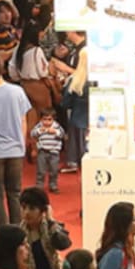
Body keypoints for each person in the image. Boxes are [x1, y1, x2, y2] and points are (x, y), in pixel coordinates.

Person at [0, 55, 31, 229]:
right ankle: (17, 230)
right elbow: (24, 119)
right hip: (15, 149)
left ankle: (2, 232)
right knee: (15, 193)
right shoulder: (17, 91)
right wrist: (22, 144)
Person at [60, 30, 88, 173]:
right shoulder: (96, 81)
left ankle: (73, 163)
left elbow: (65, 103)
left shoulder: (74, 80)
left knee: (77, 145)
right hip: (91, 122)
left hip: (77, 119)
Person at [30, 111, 65, 192]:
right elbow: (32, 134)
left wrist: (56, 132)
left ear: (53, 119)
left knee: (54, 170)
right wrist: (39, 131)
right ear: (41, 119)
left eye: (49, 120)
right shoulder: (39, 126)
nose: (47, 122)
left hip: (54, 152)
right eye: (44, 119)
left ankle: (53, 185)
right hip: (42, 151)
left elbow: (63, 134)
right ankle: (39, 185)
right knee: (41, 170)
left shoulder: (57, 126)